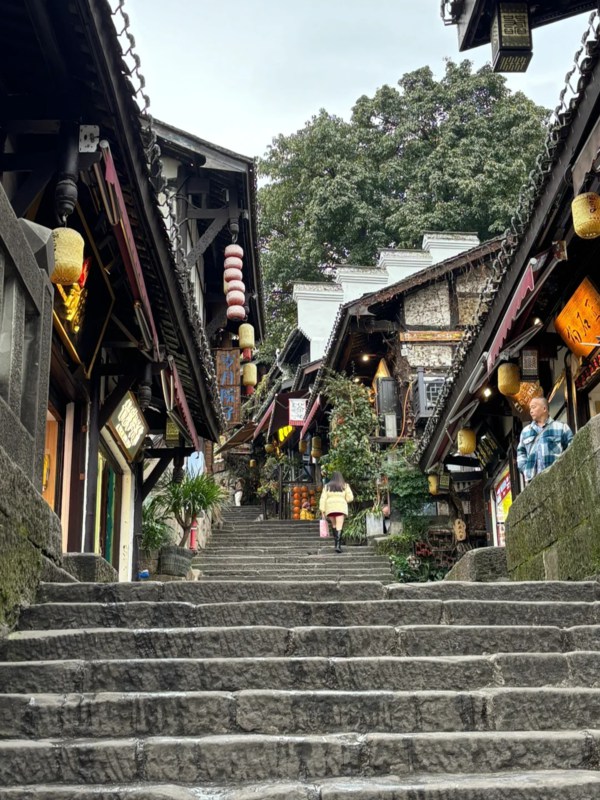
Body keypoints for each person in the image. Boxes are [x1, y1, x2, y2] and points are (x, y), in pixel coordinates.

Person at [517, 396, 573, 485]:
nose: (531, 411)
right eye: (530, 408)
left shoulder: (562, 427)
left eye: (534, 407)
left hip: (557, 478)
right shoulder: (525, 432)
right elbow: (521, 453)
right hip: (533, 482)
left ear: (544, 408)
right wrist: (525, 470)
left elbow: (571, 450)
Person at [319, 471, 354, 553]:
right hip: (340, 508)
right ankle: (338, 546)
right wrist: (343, 500)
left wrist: (322, 510)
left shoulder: (326, 486)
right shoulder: (345, 485)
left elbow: (323, 499)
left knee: (334, 525)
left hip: (330, 508)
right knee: (339, 526)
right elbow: (350, 498)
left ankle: (336, 544)